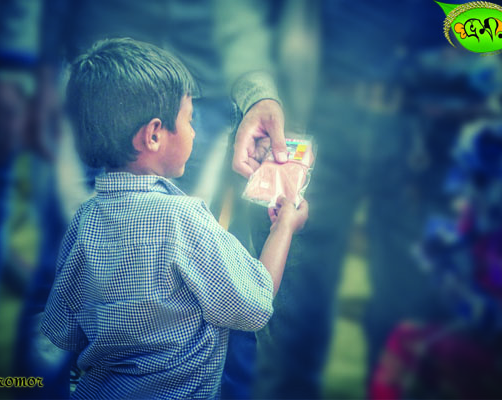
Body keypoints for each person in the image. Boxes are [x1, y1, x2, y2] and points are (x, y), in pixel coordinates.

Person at [40, 38, 308, 399]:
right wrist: (283, 228)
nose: (194, 131)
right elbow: (255, 303)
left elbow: (62, 329)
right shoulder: (183, 218)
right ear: (154, 135)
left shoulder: (84, 221)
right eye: (188, 119)